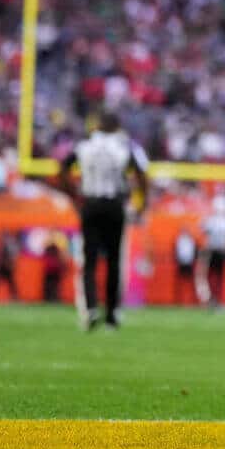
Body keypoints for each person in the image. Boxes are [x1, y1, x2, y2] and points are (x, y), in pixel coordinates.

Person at [56, 111, 149, 331]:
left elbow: (62, 169)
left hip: (90, 203)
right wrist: (141, 203)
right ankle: (112, 314)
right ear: (116, 127)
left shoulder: (85, 146)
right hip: (115, 205)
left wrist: (75, 197)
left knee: (89, 260)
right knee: (114, 260)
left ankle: (90, 308)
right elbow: (141, 174)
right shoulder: (123, 147)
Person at [198, 194, 225, 309]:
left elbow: (203, 228)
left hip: (215, 251)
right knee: (216, 277)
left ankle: (214, 299)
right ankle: (215, 299)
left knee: (213, 277)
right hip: (219, 252)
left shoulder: (213, 220)